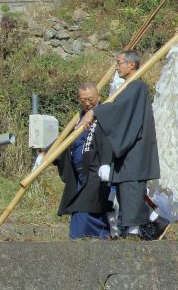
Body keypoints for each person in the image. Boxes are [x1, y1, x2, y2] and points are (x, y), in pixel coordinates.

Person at [79, 50, 159, 238]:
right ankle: (130, 229)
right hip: (128, 151)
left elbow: (120, 111)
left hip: (135, 150)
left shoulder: (137, 87)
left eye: (119, 63)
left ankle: (134, 230)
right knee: (126, 190)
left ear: (131, 65)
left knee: (132, 189)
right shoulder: (128, 87)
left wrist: (97, 112)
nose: (117, 67)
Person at [54, 82, 113, 239]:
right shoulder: (79, 117)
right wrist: (46, 153)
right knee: (81, 208)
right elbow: (64, 140)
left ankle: (93, 237)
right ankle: (97, 238)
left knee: (84, 209)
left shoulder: (105, 113)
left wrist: (106, 163)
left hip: (96, 172)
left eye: (90, 99)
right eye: (83, 100)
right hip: (79, 173)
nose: (87, 103)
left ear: (98, 97)